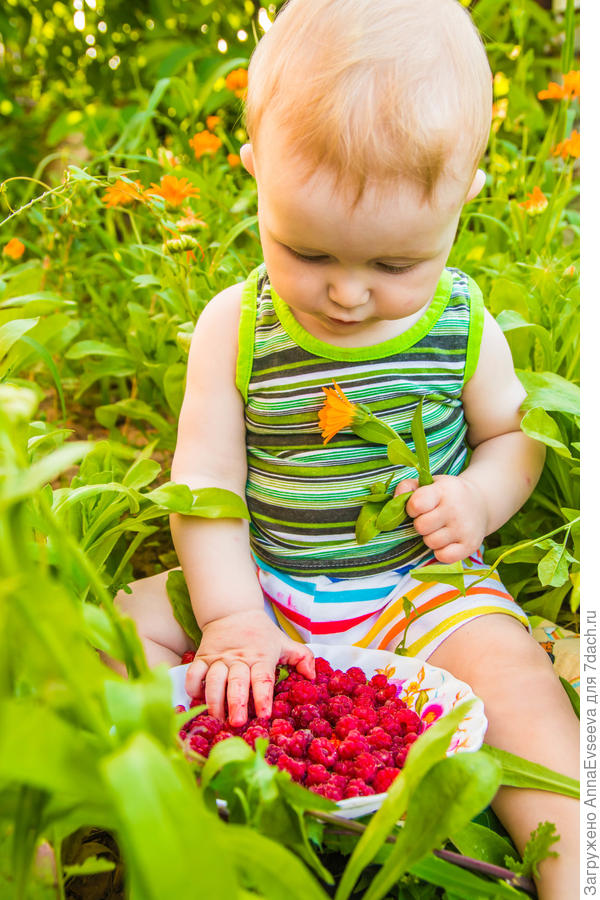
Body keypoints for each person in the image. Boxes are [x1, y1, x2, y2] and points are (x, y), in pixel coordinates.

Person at [103, 1, 579, 895]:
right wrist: (232, 615)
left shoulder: (463, 325)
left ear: (463, 201)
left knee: (516, 682)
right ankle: (64, 822)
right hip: (263, 585)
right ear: (253, 177)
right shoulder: (233, 328)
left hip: (419, 590)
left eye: (395, 266)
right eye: (306, 250)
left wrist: (478, 498)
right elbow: (205, 487)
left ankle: (572, 859)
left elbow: (515, 435)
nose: (350, 294)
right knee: (112, 633)